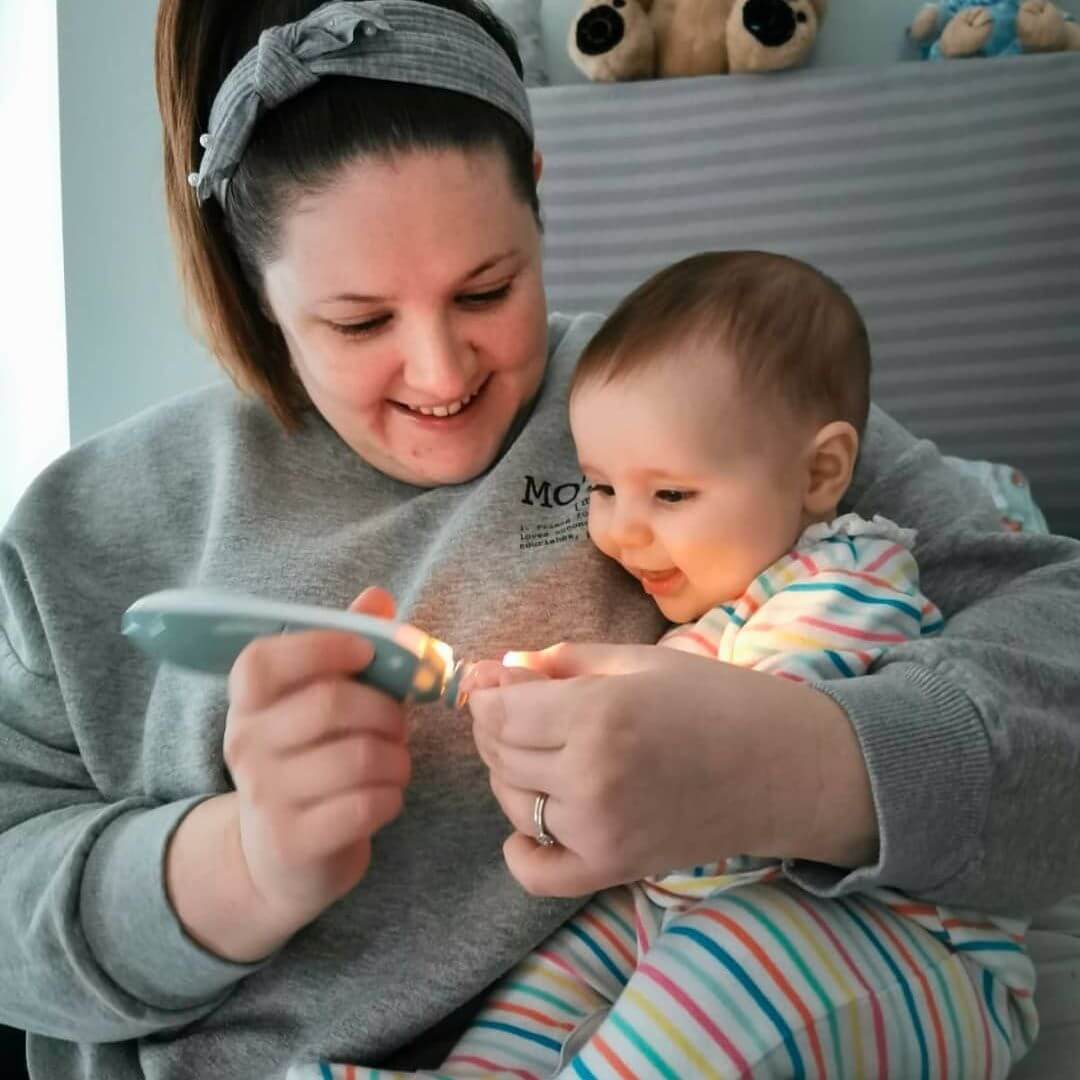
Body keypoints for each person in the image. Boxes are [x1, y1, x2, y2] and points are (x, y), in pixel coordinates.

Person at [0, 1, 1077, 1078]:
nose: (442, 374)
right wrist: (238, 867)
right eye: (360, 323)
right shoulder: (82, 526)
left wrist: (792, 763)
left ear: (539, 198)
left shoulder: (700, 387)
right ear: (255, 286)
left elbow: (1054, 659)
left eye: (488, 289)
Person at [298, 251, 1038, 1079]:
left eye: (670, 496)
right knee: (563, 962)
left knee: (736, 954)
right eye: (602, 490)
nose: (623, 533)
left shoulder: (852, 579)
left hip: (900, 946)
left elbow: (727, 790)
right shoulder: (721, 605)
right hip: (676, 911)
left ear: (820, 471)